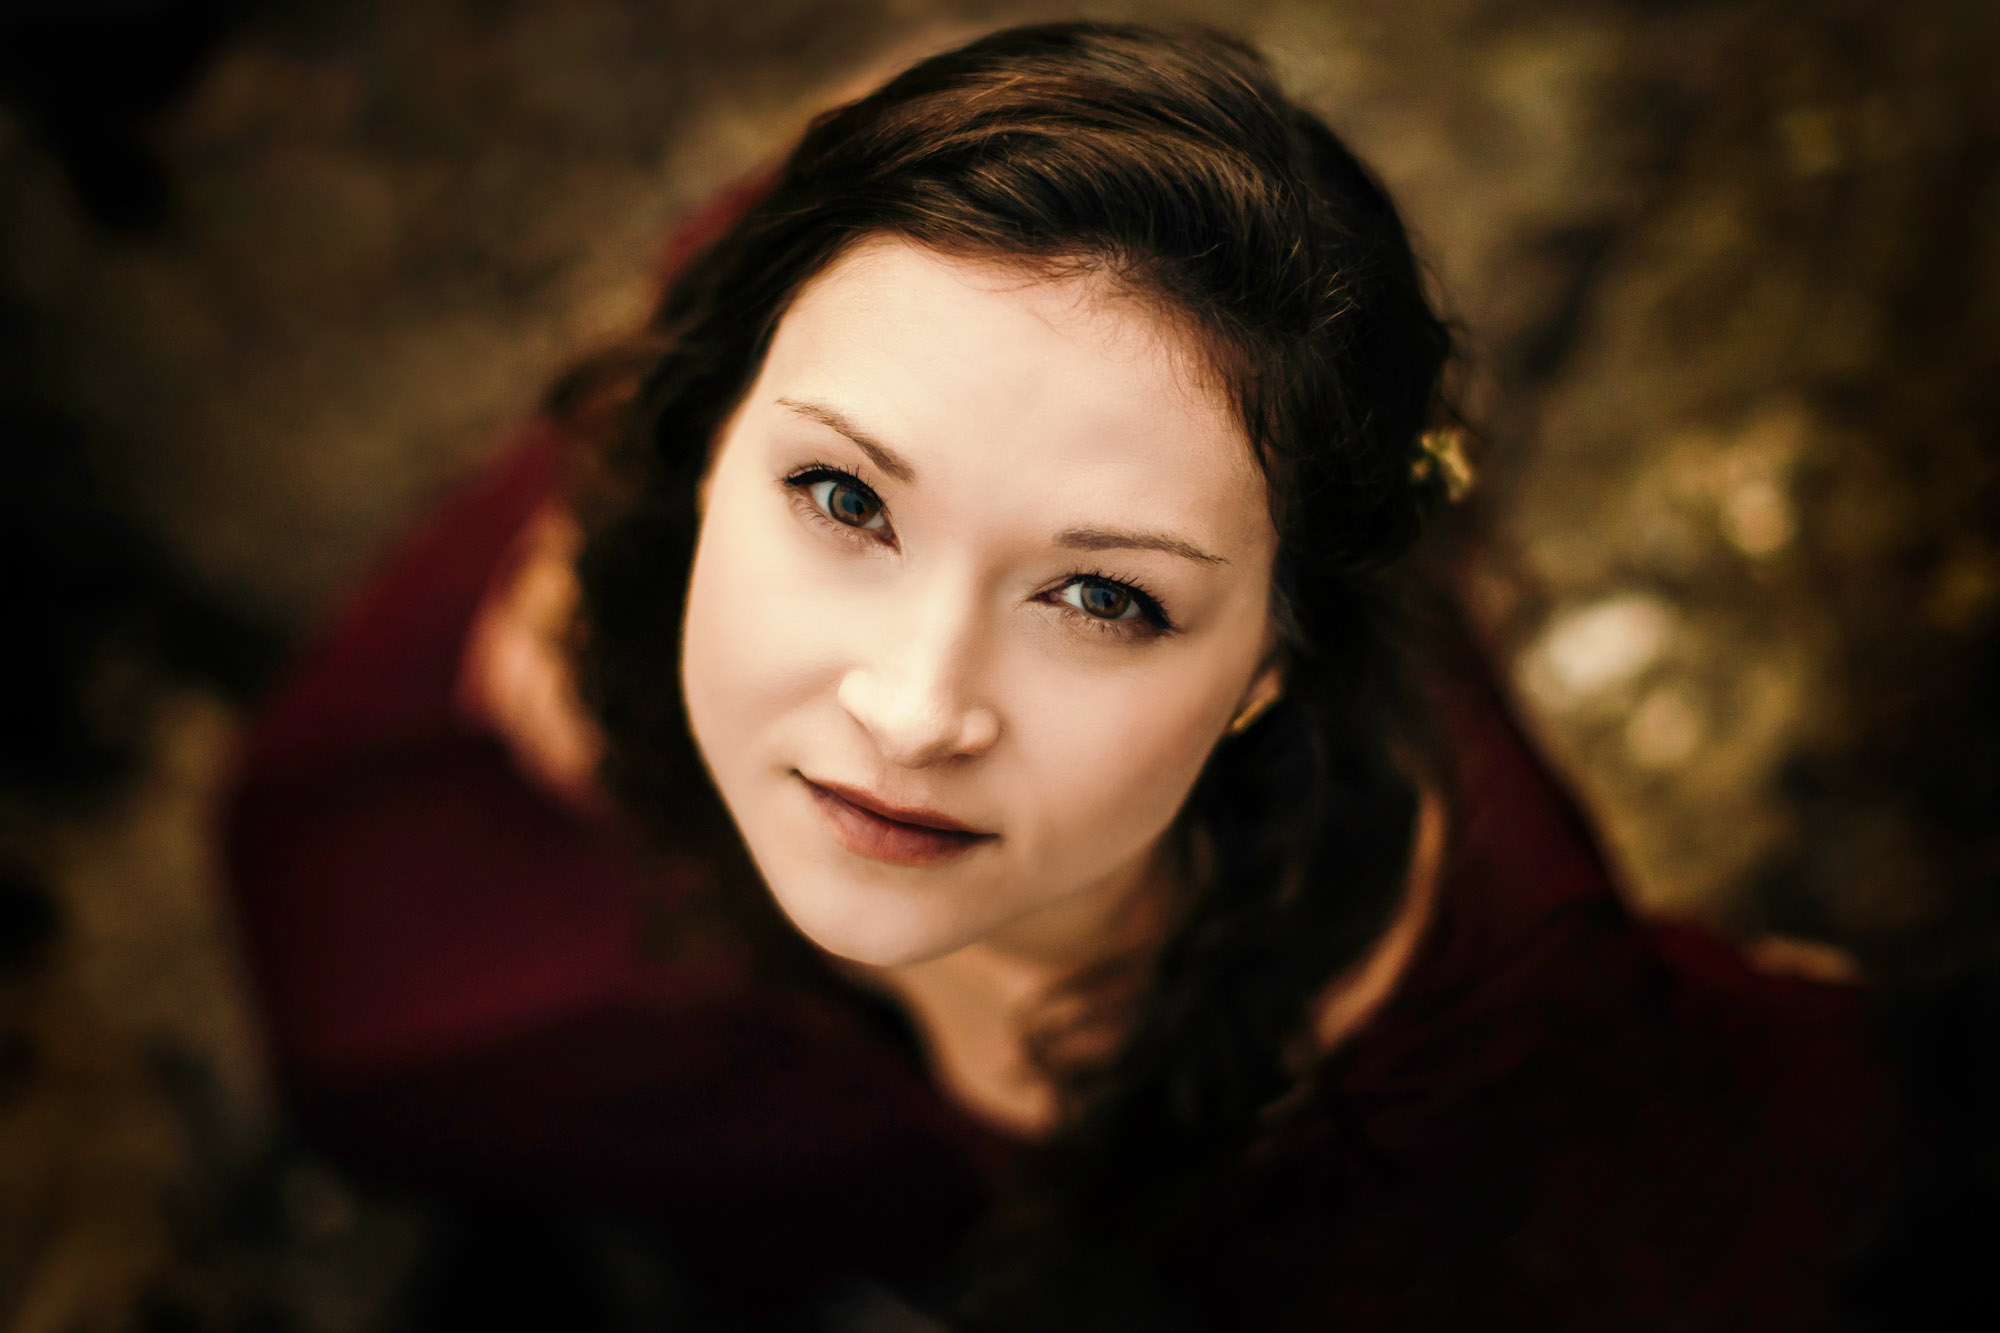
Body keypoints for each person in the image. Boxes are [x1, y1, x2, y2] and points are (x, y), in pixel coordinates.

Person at [226, 21, 1895, 1331]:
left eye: (1102, 596)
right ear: (716, 428)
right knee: (354, 971)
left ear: (1267, 674)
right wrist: (588, 583)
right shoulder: (882, 291)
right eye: (843, 497)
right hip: (636, 850)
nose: (913, 703)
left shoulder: (1448, 1066)